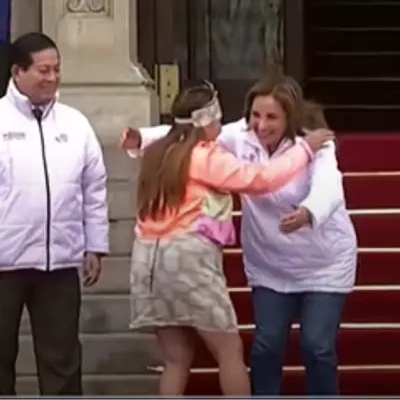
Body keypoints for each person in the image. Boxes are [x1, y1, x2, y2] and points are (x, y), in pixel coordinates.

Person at [122, 75, 355, 396]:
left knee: (316, 346)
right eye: (255, 115)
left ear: (291, 116)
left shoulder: (316, 142)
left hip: (320, 262)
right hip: (260, 263)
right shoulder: (224, 144)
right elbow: (259, 177)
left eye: (272, 117)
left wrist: (308, 211)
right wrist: (143, 136)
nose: (260, 125)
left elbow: (329, 185)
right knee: (254, 348)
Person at [0, 32, 108, 395]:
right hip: (4, 266)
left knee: (62, 362)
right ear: (18, 72)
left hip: (58, 264)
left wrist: (95, 245)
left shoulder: (75, 124)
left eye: (57, 69)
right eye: (43, 70)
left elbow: (94, 188)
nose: (52, 77)